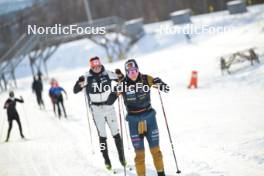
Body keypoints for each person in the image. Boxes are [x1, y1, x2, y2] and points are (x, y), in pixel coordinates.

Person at [107, 59, 170, 176]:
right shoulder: (123, 84)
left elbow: (166, 89)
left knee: (156, 151)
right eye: (130, 72)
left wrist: (160, 83)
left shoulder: (146, 79)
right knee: (139, 154)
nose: (133, 74)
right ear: (126, 73)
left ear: (138, 69)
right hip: (133, 121)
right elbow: (109, 101)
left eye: (134, 70)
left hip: (149, 118)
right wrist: (115, 91)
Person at [73, 56, 126, 170]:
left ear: (100, 65)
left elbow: (122, 80)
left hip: (109, 107)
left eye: (98, 66)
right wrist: (80, 83)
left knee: (116, 133)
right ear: (91, 67)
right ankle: (106, 160)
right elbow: (75, 90)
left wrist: (120, 74)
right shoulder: (87, 77)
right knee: (102, 136)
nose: (97, 68)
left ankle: (122, 158)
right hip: (96, 110)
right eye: (94, 67)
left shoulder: (107, 73)